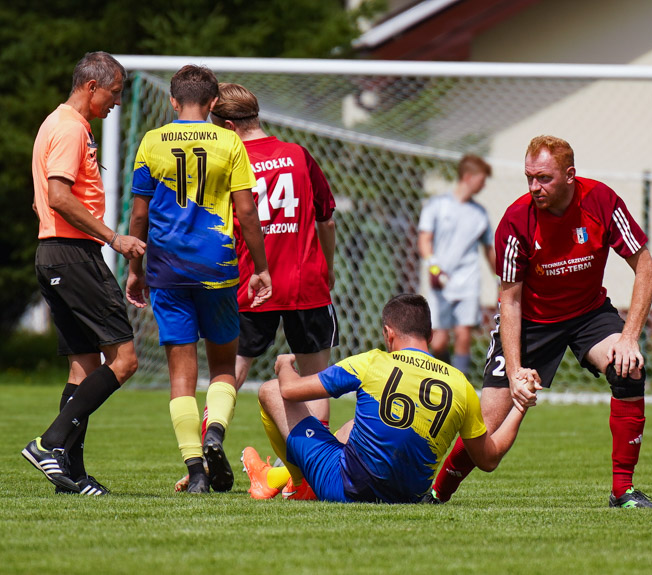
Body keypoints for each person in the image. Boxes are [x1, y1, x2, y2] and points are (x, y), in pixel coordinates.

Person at [431, 135, 652, 508]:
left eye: (544, 178)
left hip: (588, 313)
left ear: (570, 175)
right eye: (529, 178)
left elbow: (647, 269)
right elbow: (509, 300)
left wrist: (629, 337)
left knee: (628, 368)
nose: (535, 187)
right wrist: (518, 370)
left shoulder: (601, 200)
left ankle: (623, 492)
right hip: (531, 321)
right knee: (486, 434)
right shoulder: (516, 220)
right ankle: (437, 493)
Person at [175, 82, 339, 498]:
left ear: (228, 125)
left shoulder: (227, 159)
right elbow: (326, 219)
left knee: (228, 373)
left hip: (251, 284)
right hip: (306, 283)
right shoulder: (300, 156)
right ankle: (313, 476)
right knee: (316, 380)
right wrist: (328, 270)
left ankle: (204, 456)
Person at [125, 65, 272, 494]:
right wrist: (261, 269)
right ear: (212, 104)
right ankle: (216, 434)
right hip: (218, 268)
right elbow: (246, 212)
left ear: (173, 101)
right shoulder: (228, 141)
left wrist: (135, 270)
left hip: (167, 270)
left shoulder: (152, 142)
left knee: (180, 378)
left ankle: (195, 472)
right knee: (224, 367)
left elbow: (138, 214)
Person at [251, 293, 528, 504]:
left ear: (388, 333)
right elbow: (488, 459)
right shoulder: (460, 384)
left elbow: (289, 391)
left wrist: (285, 364)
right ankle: (283, 479)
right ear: (430, 335)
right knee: (349, 428)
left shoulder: (372, 362)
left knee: (270, 391)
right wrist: (520, 405)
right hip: (409, 496)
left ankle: (297, 484)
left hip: (348, 487)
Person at [22, 51, 147, 496]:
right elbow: (57, 196)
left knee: (83, 368)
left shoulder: (55, 124)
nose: (117, 101)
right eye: (114, 92)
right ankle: (49, 443)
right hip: (74, 256)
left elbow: (42, 198)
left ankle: (70, 475)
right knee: (125, 359)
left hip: (52, 254)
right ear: (92, 86)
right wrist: (114, 239)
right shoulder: (71, 127)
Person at [417, 154, 495, 375]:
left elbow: (489, 249)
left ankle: (460, 383)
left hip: (468, 282)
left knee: (463, 335)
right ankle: (443, 379)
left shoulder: (479, 213)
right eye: (482, 179)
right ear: (468, 177)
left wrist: (500, 278)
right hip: (440, 282)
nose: (484, 184)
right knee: (438, 342)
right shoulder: (437, 206)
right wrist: (434, 267)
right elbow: (424, 240)